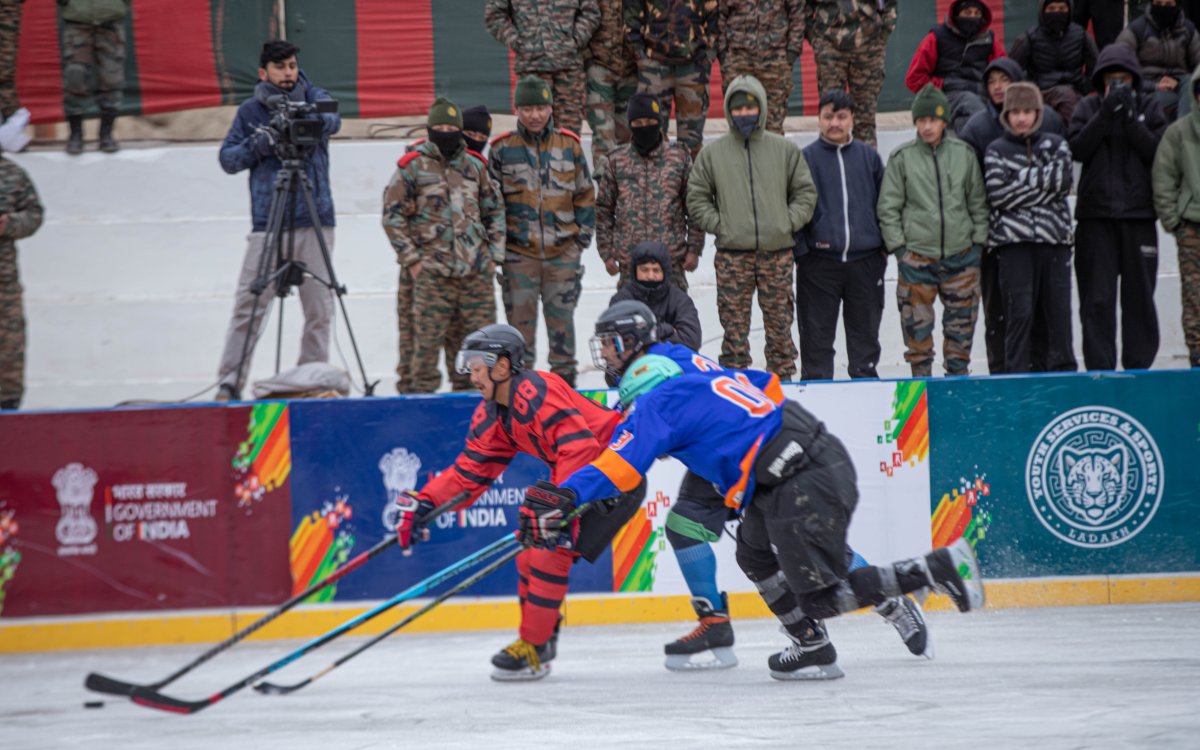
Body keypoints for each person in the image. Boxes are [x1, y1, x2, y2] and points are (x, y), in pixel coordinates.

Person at [518, 351, 981, 681]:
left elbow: (621, 464)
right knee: (756, 555)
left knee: (819, 593)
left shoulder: (662, 402)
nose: (636, 419)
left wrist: (565, 494)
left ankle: (930, 570)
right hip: (795, 465)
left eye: (634, 408)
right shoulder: (705, 381)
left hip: (795, 477)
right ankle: (812, 645)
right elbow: (767, 388)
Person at [588, 301, 933, 669]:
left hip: (738, 454)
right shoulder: (658, 358)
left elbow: (664, 419)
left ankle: (890, 601)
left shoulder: (664, 364)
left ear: (632, 341)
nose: (605, 351)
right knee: (687, 527)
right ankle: (717, 622)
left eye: (610, 342)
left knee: (792, 539)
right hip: (716, 458)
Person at [394, 324, 644, 680]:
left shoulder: (536, 390)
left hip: (612, 477)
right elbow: (468, 475)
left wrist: (554, 502)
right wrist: (425, 503)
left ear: (502, 365)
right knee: (529, 553)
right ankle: (539, 639)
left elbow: (581, 449)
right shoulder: (495, 412)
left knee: (546, 552)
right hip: (583, 479)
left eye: (476, 364)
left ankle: (535, 646)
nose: (470, 373)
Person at [214, 40, 340, 401]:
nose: (288, 73)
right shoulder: (250, 112)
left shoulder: (319, 95)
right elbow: (228, 160)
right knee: (248, 306)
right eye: (280, 67)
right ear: (263, 72)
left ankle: (311, 380)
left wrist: (305, 116)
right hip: (268, 222)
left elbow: (334, 120)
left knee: (319, 308)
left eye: (292, 66)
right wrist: (262, 141)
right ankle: (229, 383)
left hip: (315, 218)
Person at [687, 75, 816, 380]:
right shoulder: (712, 154)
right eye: (738, 108)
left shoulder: (784, 150)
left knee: (780, 333)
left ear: (762, 107)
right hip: (733, 258)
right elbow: (697, 198)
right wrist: (722, 225)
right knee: (734, 337)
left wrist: (786, 223)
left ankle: (783, 392)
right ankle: (738, 398)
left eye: (750, 107)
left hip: (777, 256)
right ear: (729, 111)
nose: (744, 114)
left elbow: (805, 194)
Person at [382, 98, 505, 394]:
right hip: (431, 276)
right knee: (421, 351)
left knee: (477, 348)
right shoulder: (412, 167)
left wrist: (493, 256)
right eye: (440, 127)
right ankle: (418, 409)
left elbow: (495, 211)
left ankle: (473, 411)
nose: (446, 132)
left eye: (452, 127)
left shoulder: (475, 166)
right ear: (430, 128)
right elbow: (392, 215)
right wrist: (412, 260)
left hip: (475, 275)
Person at [959, 58, 1066, 374]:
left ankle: (1047, 373)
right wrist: (1036, 183)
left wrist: (1016, 184)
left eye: (1004, 79)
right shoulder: (977, 128)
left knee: (1050, 315)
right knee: (1004, 314)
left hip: (1048, 237)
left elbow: (1062, 181)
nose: (998, 87)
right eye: (991, 81)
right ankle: (1004, 374)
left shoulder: (1051, 125)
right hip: (998, 237)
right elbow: (992, 190)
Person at [489, 76, 595, 387]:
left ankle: (566, 400)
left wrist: (580, 242)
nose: (534, 115)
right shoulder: (501, 149)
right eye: (527, 108)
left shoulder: (569, 146)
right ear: (516, 110)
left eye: (540, 107)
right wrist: (500, 250)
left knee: (563, 340)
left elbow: (585, 195)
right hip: (518, 259)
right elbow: (490, 204)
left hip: (562, 258)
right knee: (519, 341)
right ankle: (521, 400)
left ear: (550, 108)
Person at [878, 84, 989, 378]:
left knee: (960, 339)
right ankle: (921, 395)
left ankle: (957, 394)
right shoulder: (902, 158)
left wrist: (977, 246)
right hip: (917, 262)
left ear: (945, 121)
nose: (928, 127)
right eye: (922, 120)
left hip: (961, 260)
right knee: (917, 339)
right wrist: (901, 251)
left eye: (934, 120)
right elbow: (888, 208)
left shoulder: (964, 154)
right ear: (915, 122)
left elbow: (977, 202)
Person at [1069, 44, 1167, 370]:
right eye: (1112, 81)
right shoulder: (1087, 106)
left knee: (1140, 298)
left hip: (1139, 217)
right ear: (1102, 81)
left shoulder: (1150, 107)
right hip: (1095, 219)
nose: (1118, 86)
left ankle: (1139, 369)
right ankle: (1101, 371)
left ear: (1134, 79)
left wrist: (1128, 118)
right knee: (1096, 300)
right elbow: (1078, 149)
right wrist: (1105, 113)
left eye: (1124, 79)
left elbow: (1156, 152)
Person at [984, 83, 1078, 374]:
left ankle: (1063, 378)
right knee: (1018, 315)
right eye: (1015, 112)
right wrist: (1042, 182)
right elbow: (999, 194)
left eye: (1027, 111)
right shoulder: (996, 149)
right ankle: (1016, 378)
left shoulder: (1056, 144)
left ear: (1037, 112)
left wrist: (1018, 180)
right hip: (1013, 246)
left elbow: (1063, 181)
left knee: (1058, 317)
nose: (1021, 118)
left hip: (1055, 243)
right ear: (1006, 115)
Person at [795, 90, 887, 381]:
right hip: (819, 264)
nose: (834, 123)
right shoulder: (805, 159)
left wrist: (881, 249)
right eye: (828, 116)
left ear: (853, 120)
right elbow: (793, 206)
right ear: (819, 119)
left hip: (866, 262)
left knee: (865, 344)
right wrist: (803, 252)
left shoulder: (869, 157)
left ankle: (868, 411)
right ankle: (817, 412)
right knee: (816, 345)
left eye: (841, 116)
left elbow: (885, 204)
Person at [595, 91, 702, 290]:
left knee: (675, 319)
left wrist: (694, 248)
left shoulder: (679, 158)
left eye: (649, 122)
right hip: (630, 263)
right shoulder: (616, 161)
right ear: (630, 126)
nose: (644, 128)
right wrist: (606, 252)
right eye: (638, 124)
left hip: (671, 262)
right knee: (632, 319)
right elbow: (603, 210)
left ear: (659, 122)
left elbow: (694, 206)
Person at [484, 0, 599, 135]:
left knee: (568, 132)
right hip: (531, 68)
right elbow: (493, 15)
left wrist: (575, 40)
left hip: (568, 68)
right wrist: (517, 42)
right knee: (533, 129)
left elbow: (591, 13)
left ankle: (566, 157)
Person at [624, 0, 718, 157]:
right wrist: (639, 53)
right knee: (650, 137)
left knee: (692, 141)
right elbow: (631, 13)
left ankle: (691, 181)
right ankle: (654, 181)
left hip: (693, 67)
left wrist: (708, 54)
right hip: (654, 65)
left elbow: (714, 14)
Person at [1152, 63, 1200, 368]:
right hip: (1192, 228)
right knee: (1194, 298)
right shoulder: (1178, 132)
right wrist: (1175, 222)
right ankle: (1197, 355)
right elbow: (1163, 178)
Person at [805, 0, 899, 146]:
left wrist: (885, 32)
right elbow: (802, 9)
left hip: (869, 43)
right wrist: (816, 39)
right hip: (830, 44)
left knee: (865, 120)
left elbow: (890, 4)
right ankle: (831, 166)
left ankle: (865, 166)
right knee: (831, 118)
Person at [906, 0, 1008, 134]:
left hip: (983, 93)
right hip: (947, 95)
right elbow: (914, 79)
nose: (972, 17)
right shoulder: (936, 37)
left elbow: (1005, 68)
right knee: (971, 104)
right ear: (956, 14)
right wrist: (943, 85)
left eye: (977, 13)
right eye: (967, 12)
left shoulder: (989, 39)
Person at [716, 0, 806, 136]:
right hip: (738, 59)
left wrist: (792, 52)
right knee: (739, 121)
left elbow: (797, 14)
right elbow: (719, 15)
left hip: (775, 59)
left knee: (773, 124)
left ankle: (773, 157)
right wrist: (723, 53)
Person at [0, 144, 43, 410]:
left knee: (8, 350)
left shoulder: (12, 173)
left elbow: (35, 214)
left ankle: (8, 409)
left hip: (3, 284)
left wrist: (9, 224)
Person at [58, 0, 130, 154]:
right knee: (74, 77)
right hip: (77, 19)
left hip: (110, 19)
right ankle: (76, 135)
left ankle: (106, 135)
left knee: (112, 78)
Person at [1011, 1, 1100, 123]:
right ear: (1043, 11)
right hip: (1042, 94)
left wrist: (1084, 86)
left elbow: (1096, 66)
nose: (1057, 12)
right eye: (1051, 8)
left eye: (1062, 8)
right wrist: (1032, 89)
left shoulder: (1081, 35)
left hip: (1076, 92)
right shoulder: (1029, 38)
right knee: (1064, 94)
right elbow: (1012, 70)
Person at [607, 243, 701, 352]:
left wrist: (641, 335)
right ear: (635, 271)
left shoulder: (680, 300)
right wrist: (666, 330)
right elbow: (617, 342)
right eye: (644, 270)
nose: (650, 276)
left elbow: (691, 341)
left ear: (665, 271)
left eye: (656, 270)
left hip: (671, 363)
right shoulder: (621, 300)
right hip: (632, 365)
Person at [1116, 0, 1200, 118]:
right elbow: (1117, 72)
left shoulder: (1188, 30)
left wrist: (1178, 82)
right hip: (1146, 90)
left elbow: (1198, 68)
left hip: (1181, 89)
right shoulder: (1136, 30)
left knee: (1188, 82)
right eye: (1158, 3)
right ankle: (1184, 132)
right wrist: (1153, 85)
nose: (1163, 8)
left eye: (1168, 5)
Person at [586, 0, 638, 170]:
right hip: (600, 66)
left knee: (627, 136)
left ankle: (625, 190)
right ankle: (604, 190)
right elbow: (581, 15)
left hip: (632, 68)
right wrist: (587, 56)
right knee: (603, 136)